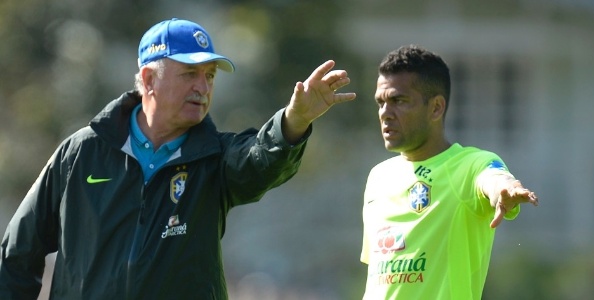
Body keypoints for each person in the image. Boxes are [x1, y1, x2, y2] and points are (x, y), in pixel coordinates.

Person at [0, 18, 356, 299]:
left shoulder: (215, 156)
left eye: (210, 76)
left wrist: (293, 122)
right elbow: (17, 256)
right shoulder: (80, 154)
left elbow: (260, 160)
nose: (203, 88)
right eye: (189, 74)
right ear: (149, 79)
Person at [360, 45, 538, 299]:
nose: (385, 113)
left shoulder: (469, 165)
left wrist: (504, 189)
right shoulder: (378, 178)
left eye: (399, 101)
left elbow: (492, 177)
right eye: (381, 103)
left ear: (436, 108)